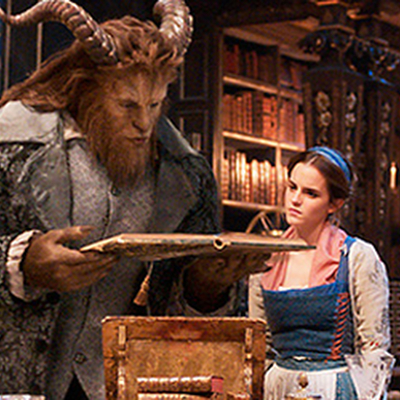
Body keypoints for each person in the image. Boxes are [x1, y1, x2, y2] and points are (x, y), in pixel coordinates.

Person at [0, 1, 266, 399]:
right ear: (86, 88)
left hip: (127, 385)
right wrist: (21, 264)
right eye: (127, 104)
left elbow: (179, 305)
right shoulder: (11, 146)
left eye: (155, 104)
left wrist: (206, 284)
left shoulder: (186, 175)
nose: (144, 123)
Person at [248, 146, 393, 399]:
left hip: (333, 388)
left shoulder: (356, 256)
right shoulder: (265, 259)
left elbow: (374, 347)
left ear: (334, 204)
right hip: (277, 388)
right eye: (292, 187)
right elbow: (260, 346)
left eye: (310, 193)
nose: (295, 200)